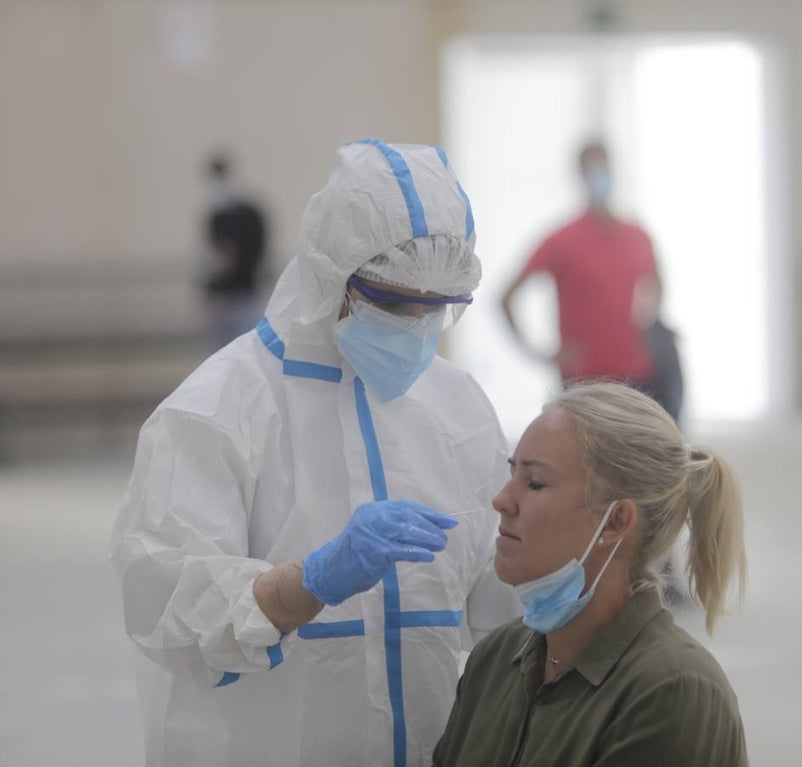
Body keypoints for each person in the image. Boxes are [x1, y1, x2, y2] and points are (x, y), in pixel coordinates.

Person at [111, 140, 520, 766]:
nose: (415, 328)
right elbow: (168, 613)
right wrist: (305, 584)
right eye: (393, 303)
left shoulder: (458, 409)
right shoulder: (214, 412)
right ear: (333, 275)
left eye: (435, 310)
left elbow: (503, 610)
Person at [432, 382, 748, 766]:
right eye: (511, 474)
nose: (501, 500)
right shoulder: (496, 658)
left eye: (534, 483)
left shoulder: (671, 691)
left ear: (615, 521)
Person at [500, 140, 684, 424]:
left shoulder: (637, 236)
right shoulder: (562, 240)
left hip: (637, 379)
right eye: (592, 169)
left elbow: (658, 285)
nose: (600, 175)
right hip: (583, 385)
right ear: (580, 176)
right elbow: (506, 297)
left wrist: (648, 328)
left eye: (604, 166)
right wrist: (539, 352)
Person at [204, 152, 269, 349]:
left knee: (244, 345)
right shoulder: (217, 215)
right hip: (226, 295)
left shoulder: (246, 215)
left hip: (244, 294)